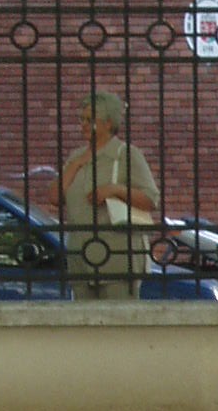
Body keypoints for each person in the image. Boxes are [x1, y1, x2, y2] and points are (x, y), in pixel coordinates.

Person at [57, 90, 161, 299]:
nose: (84, 125)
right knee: (84, 318)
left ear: (108, 123)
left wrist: (115, 190)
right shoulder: (77, 156)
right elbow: (55, 197)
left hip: (116, 256)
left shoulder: (125, 154)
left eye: (90, 120)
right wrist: (75, 165)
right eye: (82, 119)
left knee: (118, 316)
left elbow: (151, 200)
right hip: (81, 257)